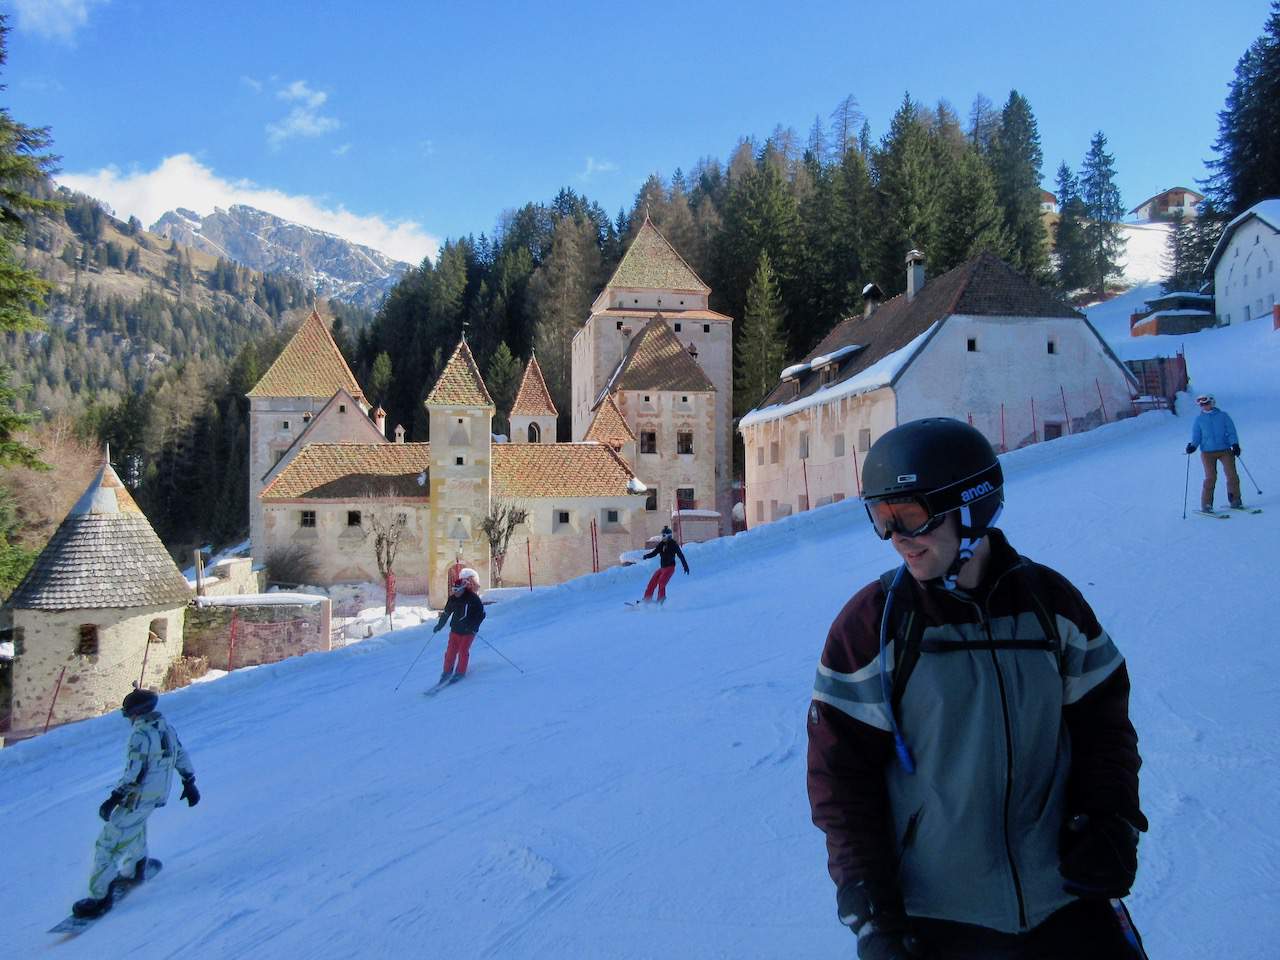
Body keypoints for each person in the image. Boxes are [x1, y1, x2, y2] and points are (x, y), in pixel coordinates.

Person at [806, 418, 1147, 959]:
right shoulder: (872, 627)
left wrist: (1111, 822)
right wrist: (871, 908)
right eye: (881, 520)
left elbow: (1104, 732)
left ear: (973, 507)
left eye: (911, 517)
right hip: (939, 917)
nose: (897, 540)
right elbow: (841, 782)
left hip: (1063, 898)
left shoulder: (1052, 606)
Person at [73, 687, 199, 918]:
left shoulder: (140, 735)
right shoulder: (165, 728)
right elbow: (180, 754)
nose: (128, 718)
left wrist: (114, 798)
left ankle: (99, 897)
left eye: (127, 714)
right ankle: (136, 867)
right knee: (135, 827)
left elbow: (135, 771)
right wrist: (189, 781)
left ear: (136, 713)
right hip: (156, 795)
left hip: (137, 797)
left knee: (107, 844)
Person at [1185, 392, 1244, 512]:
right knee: (1210, 477)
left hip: (1225, 450)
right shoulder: (1199, 420)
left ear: (1212, 402)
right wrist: (1192, 446)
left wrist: (1235, 444)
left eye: (1206, 403)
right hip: (1207, 453)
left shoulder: (1223, 416)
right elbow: (1197, 436)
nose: (1204, 406)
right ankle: (1206, 504)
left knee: (1231, 475)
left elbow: (1231, 431)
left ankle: (1235, 500)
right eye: (1201, 405)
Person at [434, 566, 485, 682]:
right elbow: (446, 613)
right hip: (455, 630)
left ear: (463, 589)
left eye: (457, 590)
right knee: (450, 652)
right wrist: (439, 625)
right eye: (453, 590)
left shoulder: (473, 599)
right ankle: (447, 671)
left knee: (463, 651)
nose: (455, 593)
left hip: (468, 632)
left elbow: (481, 614)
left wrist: (473, 626)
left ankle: (460, 672)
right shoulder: (452, 599)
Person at [640, 526, 689, 604]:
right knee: (652, 581)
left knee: (662, 582)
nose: (662, 537)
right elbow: (655, 552)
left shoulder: (673, 544)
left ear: (668, 535)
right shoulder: (662, 544)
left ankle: (661, 600)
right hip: (662, 568)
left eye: (664, 535)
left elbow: (680, 555)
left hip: (670, 568)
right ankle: (647, 599)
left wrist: (685, 566)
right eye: (662, 535)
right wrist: (646, 556)